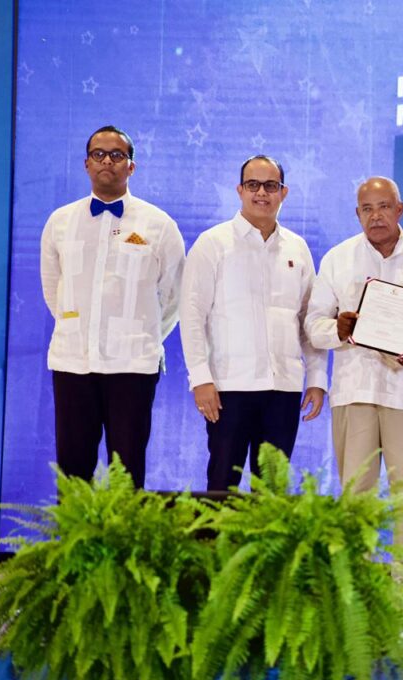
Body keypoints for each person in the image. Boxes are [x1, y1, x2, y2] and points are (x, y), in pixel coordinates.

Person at [305, 176, 403, 590]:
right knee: (356, 493)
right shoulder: (338, 259)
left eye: (384, 206)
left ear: (399, 210)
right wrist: (338, 328)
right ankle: (355, 579)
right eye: (367, 209)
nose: (376, 216)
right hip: (355, 390)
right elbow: (313, 325)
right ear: (357, 214)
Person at [40, 125, 185, 487]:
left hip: (132, 366)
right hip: (73, 363)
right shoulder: (60, 222)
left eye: (117, 155)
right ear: (86, 164)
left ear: (131, 166)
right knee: (73, 473)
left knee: (127, 473)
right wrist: (78, 326)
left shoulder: (159, 225)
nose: (107, 161)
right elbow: (54, 290)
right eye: (99, 154)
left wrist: (142, 335)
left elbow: (174, 296)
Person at [179, 155, 326, 490]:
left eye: (270, 186)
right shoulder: (213, 243)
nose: (262, 193)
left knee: (272, 492)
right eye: (253, 185)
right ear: (240, 190)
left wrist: (317, 378)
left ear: (283, 192)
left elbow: (309, 320)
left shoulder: (297, 248)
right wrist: (200, 378)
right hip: (229, 387)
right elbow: (192, 315)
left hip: (283, 388)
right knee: (222, 486)